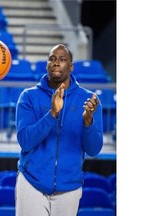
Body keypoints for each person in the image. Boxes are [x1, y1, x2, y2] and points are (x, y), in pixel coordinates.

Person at [15, 44, 103, 216]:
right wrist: (52, 114)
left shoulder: (88, 100)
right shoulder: (29, 96)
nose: (56, 62)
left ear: (71, 66)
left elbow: (94, 150)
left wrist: (88, 121)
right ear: (47, 64)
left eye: (62, 59)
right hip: (32, 183)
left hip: (69, 188)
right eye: (52, 59)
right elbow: (25, 141)